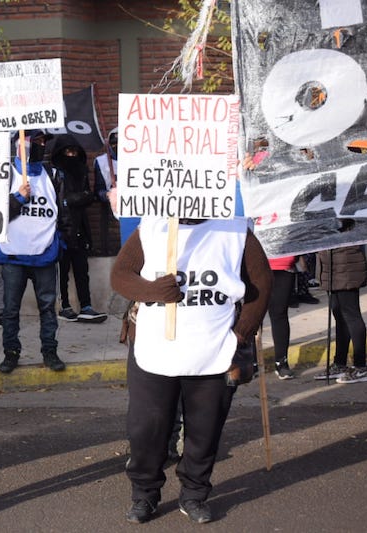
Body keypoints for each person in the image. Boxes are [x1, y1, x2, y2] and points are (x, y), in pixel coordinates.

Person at [111, 216, 271, 524]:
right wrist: (152, 290)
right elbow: (120, 275)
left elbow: (262, 283)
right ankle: (144, 494)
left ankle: (194, 493)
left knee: (204, 429)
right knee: (146, 427)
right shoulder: (153, 226)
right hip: (154, 349)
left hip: (213, 349)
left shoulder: (236, 230)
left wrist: (240, 334)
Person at [0, 129, 66, 373]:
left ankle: (50, 351)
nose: (38, 145)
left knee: (48, 308)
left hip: (45, 255)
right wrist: (18, 198)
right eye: (32, 140)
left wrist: (59, 243)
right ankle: (11, 353)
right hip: (13, 255)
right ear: (19, 143)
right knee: (10, 309)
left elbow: (62, 213)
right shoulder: (4, 175)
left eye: (42, 141)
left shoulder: (53, 174)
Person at [49, 133, 107, 324]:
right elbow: (57, 201)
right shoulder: (55, 173)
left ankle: (86, 306)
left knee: (82, 271)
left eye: (74, 151)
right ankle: (64, 306)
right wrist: (72, 200)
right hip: (61, 230)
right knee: (62, 272)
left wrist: (74, 200)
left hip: (79, 230)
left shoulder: (81, 172)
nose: (71, 156)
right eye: (68, 151)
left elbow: (87, 197)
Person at [314, 244, 367, 383]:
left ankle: (360, 367)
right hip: (332, 266)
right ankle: (340, 363)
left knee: (351, 315)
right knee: (339, 315)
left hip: (346, 267)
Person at [268, 255, 297, 379]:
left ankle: (281, 362)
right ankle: (252, 362)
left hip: (283, 264)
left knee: (279, 313)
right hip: (255, 263)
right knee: (253, 315)